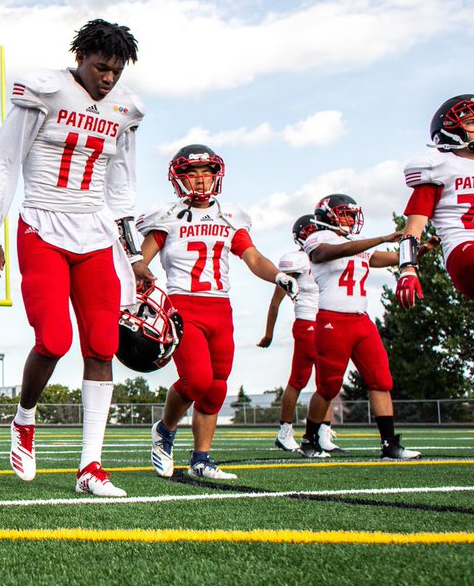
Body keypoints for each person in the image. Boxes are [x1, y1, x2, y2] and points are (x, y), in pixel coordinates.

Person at [0, 18, 150, 497]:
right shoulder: (47, 91)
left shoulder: (124, 109)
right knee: (52, 340)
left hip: (94, 232)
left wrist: (132, 253)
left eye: (115, 70)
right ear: (80, 58)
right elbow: (4, 162)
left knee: (102, 346)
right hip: (44, 224)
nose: (108, 78)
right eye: (100, 67)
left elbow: (122, 187)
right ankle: (24, 418)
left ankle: (90, 467)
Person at [136, 145, 298, 480]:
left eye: (206, 173)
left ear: (216, 175)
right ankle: (164, 431)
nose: (200, 180)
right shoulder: (166, 216)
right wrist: (133, 281)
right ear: (178, 178)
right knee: (196, 380)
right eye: (191, 174)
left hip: (220, 306)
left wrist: (278, 277)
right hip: (183, 304)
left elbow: (253, 258)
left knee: (217, 386)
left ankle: (201, 459)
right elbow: (140, 261)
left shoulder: (230, 216)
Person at [299, 194, 419, 459]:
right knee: (328, 387)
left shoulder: (358, 245)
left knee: (381, 380)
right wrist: (380, 238)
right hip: (332, 320)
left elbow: (391, 258)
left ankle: (390, 444)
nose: (350, 220)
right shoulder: (317, 238)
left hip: (361, 320)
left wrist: (421, 249)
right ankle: (309, 440)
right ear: (327, 215)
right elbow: (330, 253)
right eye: (345, 214)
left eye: (352, 215)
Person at [256, 215, 341, 455]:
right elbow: (275, 302)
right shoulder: (297, 260)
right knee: (299, 378)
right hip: (307, 322)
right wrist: (268, 335)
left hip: (328, 322)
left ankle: (323, 432)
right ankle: (285, 431)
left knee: (327, 379)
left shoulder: (328, 256)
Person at [397, 95, 474, 306]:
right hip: (464, 247)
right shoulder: (439, 167)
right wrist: (407, 268)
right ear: (451, 131)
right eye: (471, 122)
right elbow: (414, 227)